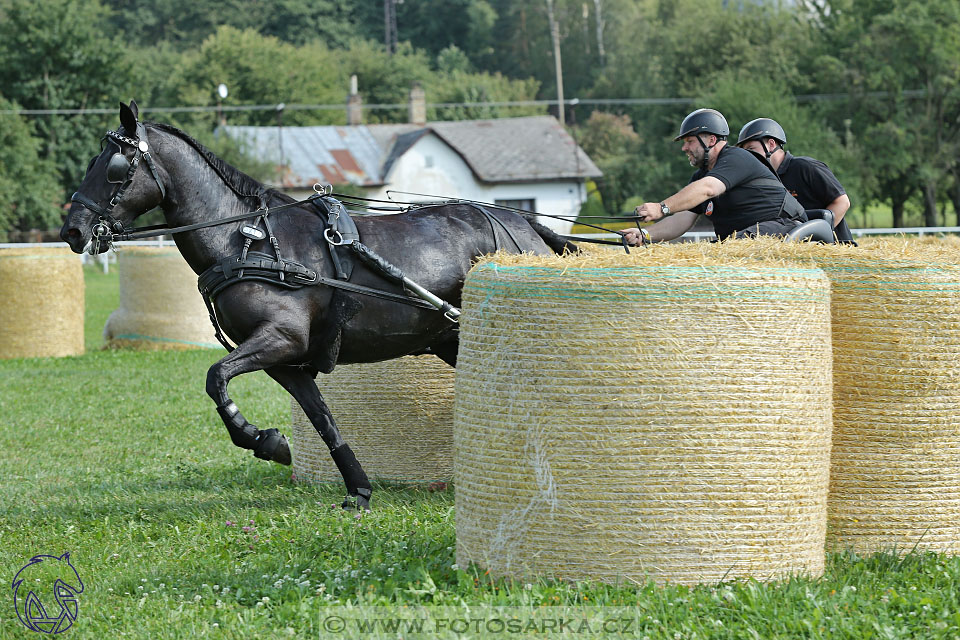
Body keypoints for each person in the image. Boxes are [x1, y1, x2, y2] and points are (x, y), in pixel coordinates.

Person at [622, 108, 807, 246]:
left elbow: (708, 188)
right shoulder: (701, 176)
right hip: (741, 240)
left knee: (727, 248)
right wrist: (645, 234)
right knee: (706, 254)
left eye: (690, 141)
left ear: (711, 140)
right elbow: (682, 219)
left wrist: (661, 207)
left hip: (784, 226)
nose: (684, 148)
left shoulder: (737, 158)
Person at [736, 117, 854, 244]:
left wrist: (815, 239)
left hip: (831, 252)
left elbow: (842, 202)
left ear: (771, 144)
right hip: (795, 255)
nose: (748, 156)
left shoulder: (805, 167)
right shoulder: (762, 180)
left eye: (751, 149)